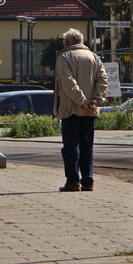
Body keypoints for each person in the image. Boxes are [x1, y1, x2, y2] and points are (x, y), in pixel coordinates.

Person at [53, 28, 108, 192]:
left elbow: (68, 83)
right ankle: (88, 181)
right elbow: (103, 80)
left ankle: (72, 181)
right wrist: (95, 101)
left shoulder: (64, 57)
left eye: (64, 41)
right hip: (89, 111)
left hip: (71, 110)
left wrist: (82, 101)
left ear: (68, 42)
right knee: (87, 146)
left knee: (71, 147)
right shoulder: (94, 57)